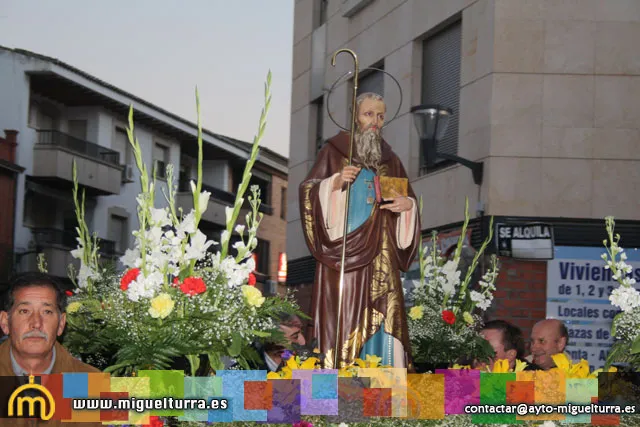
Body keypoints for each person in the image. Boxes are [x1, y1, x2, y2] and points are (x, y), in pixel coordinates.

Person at [299, 92, 420, 369]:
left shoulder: (390, 159)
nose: (375, 122)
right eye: (368, 114)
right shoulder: (335, 150)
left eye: (380, 116)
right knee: (343, 315)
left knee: (385, 312)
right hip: (342, 256)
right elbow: (308, 191)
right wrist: (335, 183)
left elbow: (404, 198)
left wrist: (407, 205)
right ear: (355, 116)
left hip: (383, 254)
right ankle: (336, 393)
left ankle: (385, 396)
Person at [0, 272, 101, 425]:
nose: (36, 323)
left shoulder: (90, 384)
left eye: (47, 312)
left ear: (61, 324)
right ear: (5, 322)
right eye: (24, 311)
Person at [476, 320, 541, 371]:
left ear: (510, 355)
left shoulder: (533, 378)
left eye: (486, 346)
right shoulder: (469, 370)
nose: (477, 352)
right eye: (477, 345)